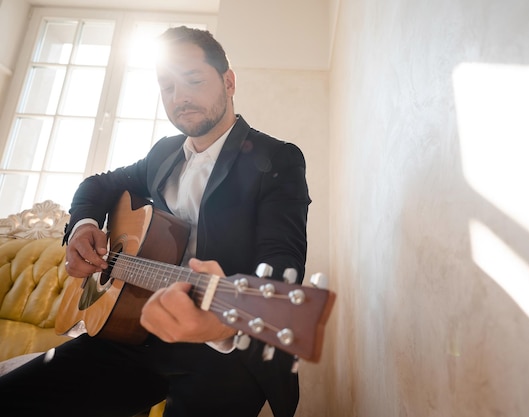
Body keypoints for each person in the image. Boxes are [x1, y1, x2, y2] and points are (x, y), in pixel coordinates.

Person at [0, 26, 310, 417]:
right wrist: (83, 228)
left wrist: (222, 325)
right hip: (132, 333)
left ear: (228, 82)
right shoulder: (163, 154)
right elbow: (97, 185)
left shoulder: (278, 159)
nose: (179, 97)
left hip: (226, 351)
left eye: (193, 81)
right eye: (167, 87)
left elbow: (282, 270)